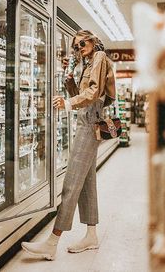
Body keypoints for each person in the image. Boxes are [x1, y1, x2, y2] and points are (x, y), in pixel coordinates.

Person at [21, 30, 116, 260]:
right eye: (75, 46)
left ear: (92, 41)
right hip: (88, 122)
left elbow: (93, 93)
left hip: (89, 124)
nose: (78, 48)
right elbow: (82, 95)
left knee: (71, 183)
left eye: (81, 43)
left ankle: (52, 242)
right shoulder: (87, 63)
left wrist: (68, 101)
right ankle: (91, 235)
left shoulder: (100, 58)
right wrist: (70, 83)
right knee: (86, 183)